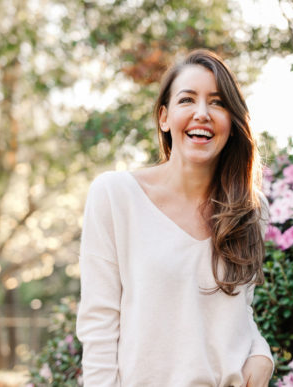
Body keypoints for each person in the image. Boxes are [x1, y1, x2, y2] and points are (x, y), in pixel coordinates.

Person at [76, 49, 274, 386]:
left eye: (217, 102)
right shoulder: (115, 195)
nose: (202, 113)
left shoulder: (250, 210)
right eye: (187, 100)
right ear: (164, 118)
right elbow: (99, 325)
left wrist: (260, 352)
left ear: (233, 121)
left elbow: (238, 312)